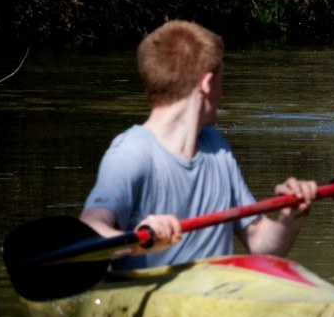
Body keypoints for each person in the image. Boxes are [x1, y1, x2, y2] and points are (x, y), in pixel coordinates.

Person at [80, 20, 318, 269]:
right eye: (221, 81)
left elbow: (260, 241)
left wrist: (289, 220)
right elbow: (89, 229)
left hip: (217, 298)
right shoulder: (132, 152)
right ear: (207, 83)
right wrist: (137, 241)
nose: (223, 93)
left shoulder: (216, 147)